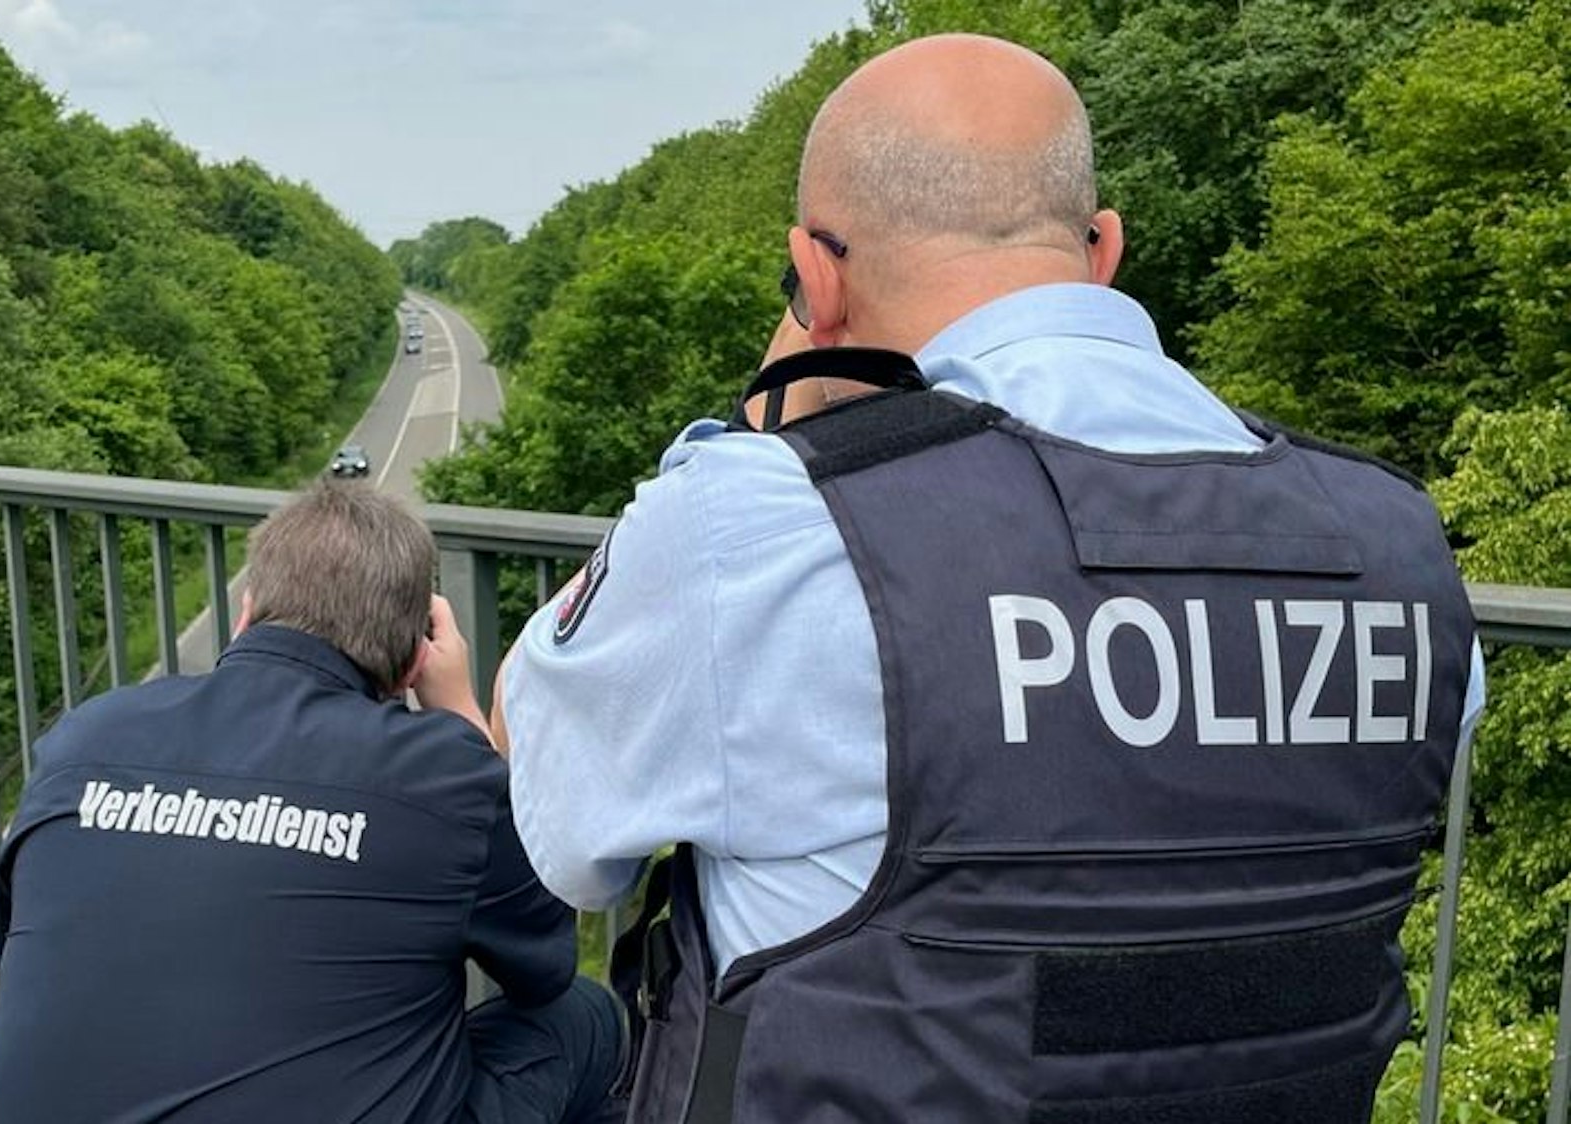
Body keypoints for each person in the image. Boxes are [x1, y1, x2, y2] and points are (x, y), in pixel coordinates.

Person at [493, 33, 1486, 1124]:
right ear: (1101, 249)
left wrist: (768, 403)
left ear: (814, 275)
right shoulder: (1395, 542)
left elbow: (558, 818)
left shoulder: (765, 523)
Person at [0, 480, 623, 1124]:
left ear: (246, 613)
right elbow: (544, 970)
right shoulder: (444, 774)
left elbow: (3, 943)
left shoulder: (88, 734)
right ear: (410, 664)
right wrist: (463, 719)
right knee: (585, 1022)